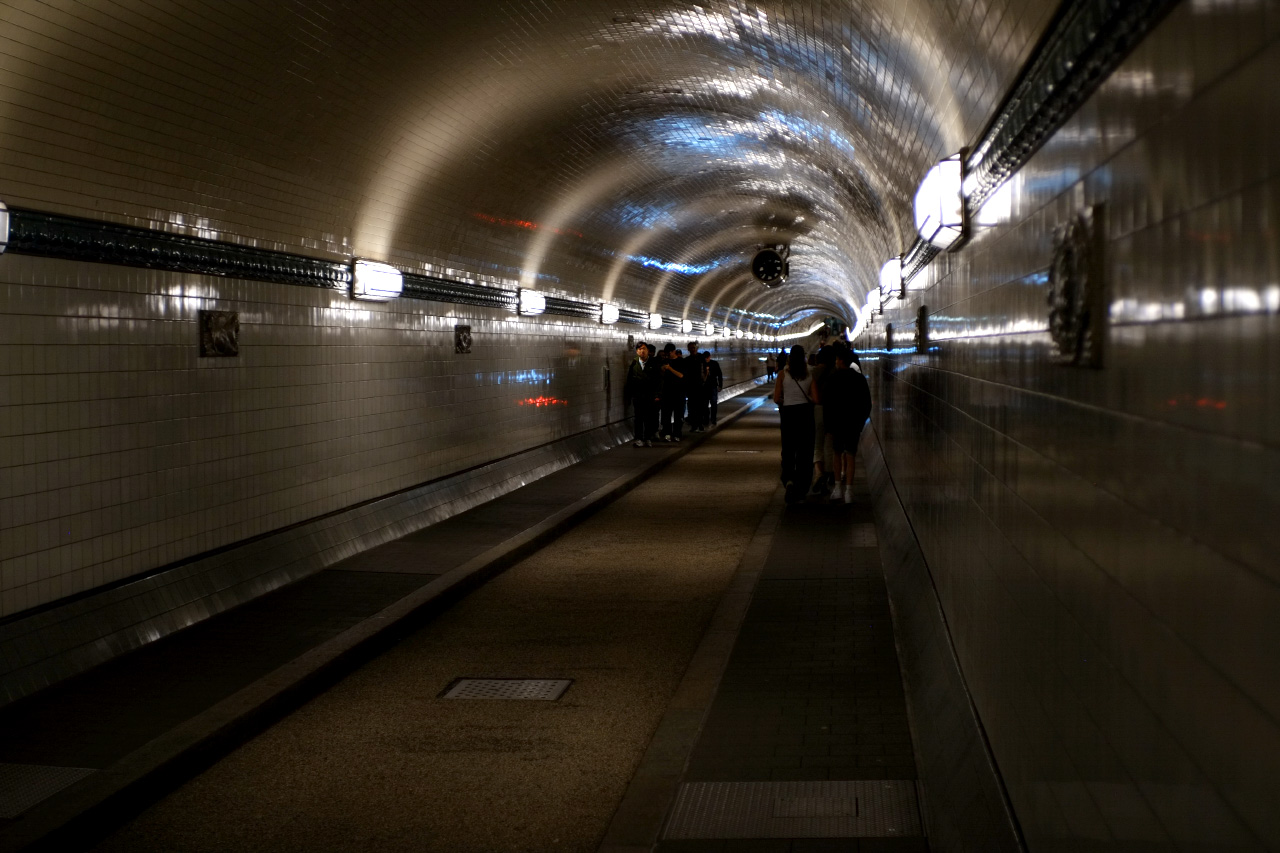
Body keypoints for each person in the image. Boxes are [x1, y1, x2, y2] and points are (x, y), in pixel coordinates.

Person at [819, 347, 873, 503]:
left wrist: (828, 426)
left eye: (837, 359)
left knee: (837, 454)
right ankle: (849, 491)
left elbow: (827, 404)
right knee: (850, 456)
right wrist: (861, 421)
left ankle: (837, 489)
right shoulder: (859, 379)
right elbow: (866, 403)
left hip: (836, 424)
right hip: (853, 424)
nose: (835, 362)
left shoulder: (833, 378)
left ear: (841, 360)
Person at [772, 344, 814, 503]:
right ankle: (802, 486)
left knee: (789, 448)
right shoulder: (809, 373)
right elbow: (816, 398)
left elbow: (776, 398)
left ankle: (788, 479)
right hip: (805, 414)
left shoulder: (783, 374)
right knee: (805, 450)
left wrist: (787, 399)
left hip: (788, 414)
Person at [808, 346, 836, 495]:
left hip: (817, 409)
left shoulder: (813, 373)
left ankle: (819, 474)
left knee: (817, 445)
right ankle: (830, 474)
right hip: (832, 411)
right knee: (830, 445)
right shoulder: (836, 372)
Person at [625, 342, 660, 447]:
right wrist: (629, 394)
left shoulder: (653, 363)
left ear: (648, 351)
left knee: (648, 417)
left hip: (650, 395)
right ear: (637, 351)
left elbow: (659, 380)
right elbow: (629, 380)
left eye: (644, 349)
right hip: (638, 395)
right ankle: (639, 438)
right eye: (639, 349)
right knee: (638, 417)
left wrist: (658, 394)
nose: (642, 351)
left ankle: (648, 438)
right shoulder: (634, 363)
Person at [659, 343, 685, 442]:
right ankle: (667, 433)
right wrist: (662, 370)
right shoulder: (665, 361)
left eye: (670, 352)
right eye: (667, 353)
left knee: (678, 415)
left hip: (678, 392)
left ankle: (677, 433)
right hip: (667, 392)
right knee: (666, 415)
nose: (668, 354)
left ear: (674, 351)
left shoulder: (681, 361)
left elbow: (681, 375)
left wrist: (670, 369)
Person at [684, 340, 706, 432]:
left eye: (694, 348)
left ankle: (700, 423)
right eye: (691, 348)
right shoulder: (687, 360)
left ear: (696, 348)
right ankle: (694, 424)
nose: (692, 349)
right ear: (688, 349)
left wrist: (704, 380)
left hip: (700, 385)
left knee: (700, 406)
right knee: (692, 407)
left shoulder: (701, 358)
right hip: (691, 386)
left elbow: (705, 371)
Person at [703, 350, 723, 426]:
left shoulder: (714, 363)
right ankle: (707, 419)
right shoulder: (705, 364)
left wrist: (720, 385)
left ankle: (713, 419)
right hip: (706, 387)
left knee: (713, 403)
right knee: (706, 404)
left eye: (707, 358)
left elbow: (720, 375)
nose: (706, 359)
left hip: (712, 387)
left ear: (709, 357)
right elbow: (720, 375)